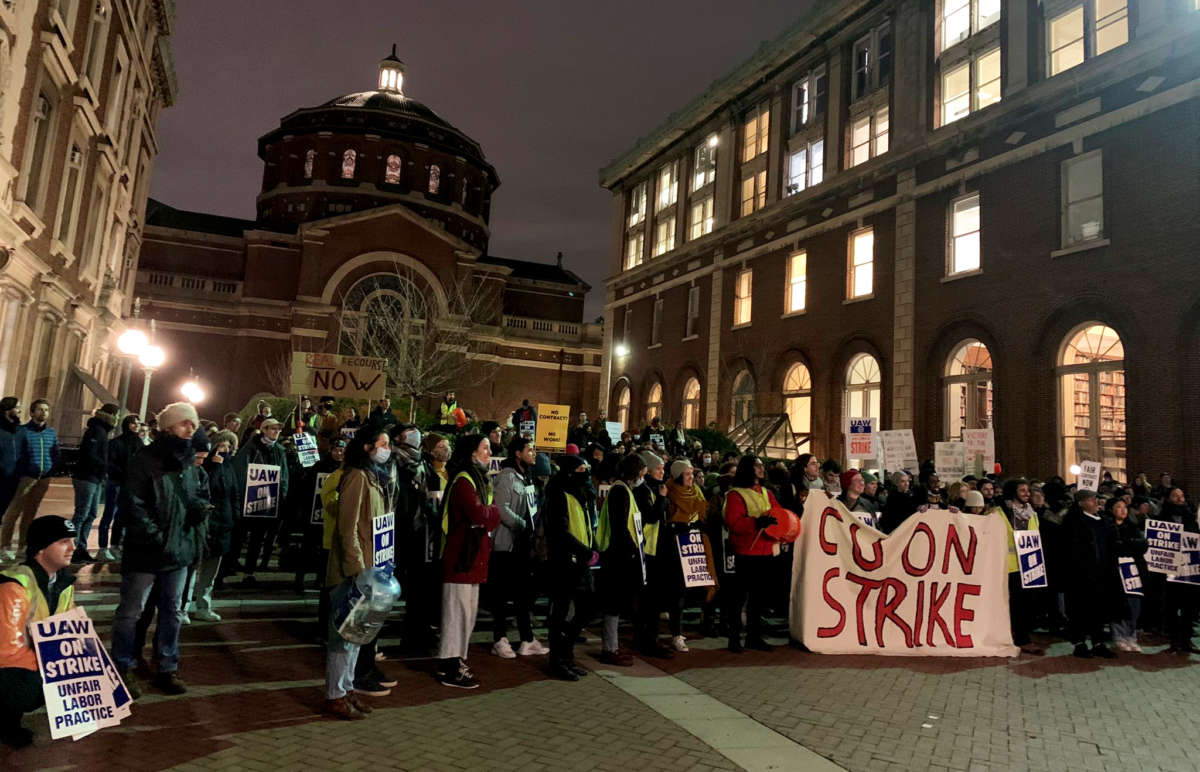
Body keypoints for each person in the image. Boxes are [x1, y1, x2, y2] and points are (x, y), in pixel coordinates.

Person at [112, 402, 210, 697]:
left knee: (173, 612)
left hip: (177, 551)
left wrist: (199, 509)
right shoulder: (143, 460)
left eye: (192, 424)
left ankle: (166, 667)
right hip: (146, 551)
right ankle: (123, 667)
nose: (190, 429)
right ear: (168, 427)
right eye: (184, 424)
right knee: (131, 612)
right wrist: (157, 537)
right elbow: (134, 506)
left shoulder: (189, 462)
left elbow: (194, 494)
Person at [323, 426, 392, 720]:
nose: (387, 449)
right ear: (366, 447)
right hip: (351, 572)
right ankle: (335, 695)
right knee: (342, 636)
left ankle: (347, 688)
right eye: (383, 443)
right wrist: (356, 569)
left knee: (354, 636)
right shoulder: (356, 477)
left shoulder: (373, 478)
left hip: (370, 569)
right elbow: (347, 527)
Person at [0, 516, 78, 748]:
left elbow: (69, 629)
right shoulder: (15, 585)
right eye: (64, 541)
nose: (73, 547)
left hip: (35, 656)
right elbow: (6, 650)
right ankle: (6, 721)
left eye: (73, 541)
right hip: (10, 664)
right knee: (25, 686)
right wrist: (52, 663)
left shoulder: (63, 583)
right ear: (41, 549)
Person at [437, 434, 500, 689]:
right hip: (461, 558)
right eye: (484, 448)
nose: (489, 452)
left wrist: (490, 513)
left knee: (468, 614)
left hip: (473, 558)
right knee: (457, 615)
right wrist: (493, 512)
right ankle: (450, 667)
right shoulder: (465, 481)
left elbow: (487, 513)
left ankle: (457, 660)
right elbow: (481, 513)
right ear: (472, 453)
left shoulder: (478, 480)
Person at [488, 436, 547, 658]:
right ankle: (499, 639)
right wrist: (523, 524)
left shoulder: (525, 478)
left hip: (522, 546)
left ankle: (527, 639)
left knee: (523, 594)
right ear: (517, 453)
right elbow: (500, 508)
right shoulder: (506, 478)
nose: (533, 453)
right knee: (501, 596)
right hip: (506, 545)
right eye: (529, 450)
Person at [543, 455, 597, 681]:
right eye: (581, 469)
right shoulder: (558, 493)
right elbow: (559, 531)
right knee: (561, 612)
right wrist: (583, 551)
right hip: (564, 561)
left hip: (581, 560)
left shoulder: (581, 493)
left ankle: (566, 653)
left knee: (588, 607)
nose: (585, 474)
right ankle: (558, 660)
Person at [723, 455, 781, 653]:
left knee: (758, 598)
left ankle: (753, 637)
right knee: (739, 598)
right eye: (758, 466)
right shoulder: (735, 495)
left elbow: (779, 515)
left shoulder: (767, 492)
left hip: (765, 551)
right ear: (749, 469)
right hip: (745, 552)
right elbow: (734, 523)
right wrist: (757, 523)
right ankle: (734, 638)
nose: (761, 469)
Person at [595, 453, 646, 667]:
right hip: (616, 556)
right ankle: (609, 648)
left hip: (617, 554)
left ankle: (613, 646)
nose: (643, 477)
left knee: (614, 604)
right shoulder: (621, 491)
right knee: (612, 604)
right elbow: (620, 527)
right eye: (642, 473)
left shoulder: (623, 490)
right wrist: (633, 549)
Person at [663, 458, 717, 651]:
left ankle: (679, 629)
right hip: (675, 545)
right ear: (677, 476)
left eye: (692, 473)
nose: (691, 477)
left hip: (693, 544)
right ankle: (676, 634)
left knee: (689, 590)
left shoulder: (696, 492)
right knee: (677, 590)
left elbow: (703, 515)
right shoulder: (668, 492)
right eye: (687, 474)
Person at [229, 417, 289, 585]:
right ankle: (229, 566)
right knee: (239, 537)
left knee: (257, 539)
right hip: (249, 501)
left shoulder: (280, 450)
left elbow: (283, 476)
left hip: (268, 503)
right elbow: (240, 472)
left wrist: (281, 496)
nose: (276, 432)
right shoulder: (250, 448)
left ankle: (249, 572)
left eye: (278, 429)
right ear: (264, 430)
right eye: (273, 429)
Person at [1061, 489, 1120, 659]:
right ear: (1081, 503)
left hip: (1101, 575)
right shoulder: (1073, 522)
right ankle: (1079, 643)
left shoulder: (1104, 522)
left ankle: (1098, 642)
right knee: (1079, 610)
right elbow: (1068, 549)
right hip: (1080, 576)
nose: (1096, 502)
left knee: (1099, 610)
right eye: (1091, 500)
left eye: (1096, 499)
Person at [0, 400, 59, 560]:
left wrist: (50, 469)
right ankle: (4, 546)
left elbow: (55, 453)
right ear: (32, 413)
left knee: (30, 513)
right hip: (25, 477)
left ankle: (23, 546)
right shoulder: (22, 431)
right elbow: (16, 454)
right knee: (13, 512)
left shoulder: (51, 433)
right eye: (40, 409)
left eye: (46, 409)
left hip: (43, 478)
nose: (43, 412)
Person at [190, 431, 239, 622]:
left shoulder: (230, 468)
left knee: (211, 571)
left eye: (228, 446)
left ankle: (203, 606)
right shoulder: (206, 467)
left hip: (223, 524)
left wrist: (234, 516)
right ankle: (183, 606)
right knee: (193, 568)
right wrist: (216, 467)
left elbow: (233, 493)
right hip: (206, 522)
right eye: (221, 446)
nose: (224, 450)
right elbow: (207, 487)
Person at [632, 451, 673, 658]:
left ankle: (649, 639)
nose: (662, 472)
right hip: (648, 550)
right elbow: (651, 516)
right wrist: (663, 500)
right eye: (658, 468)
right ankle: (647, 640)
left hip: (655, 548)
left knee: (653, 600)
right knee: (650, 600)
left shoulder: (652, 488)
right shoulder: (644, 490)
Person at [70, 403, 119, 563]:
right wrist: (106, 467)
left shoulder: (102, 431)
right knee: (81, 514)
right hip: (86, 477)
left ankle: (81, 547)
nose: (117, 419)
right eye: (116, 415)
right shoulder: (96, 430)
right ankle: (72, 548)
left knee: (91, 514)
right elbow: (90, 455)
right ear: (110, 415)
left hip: (96, 478)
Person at [1000, 479, 1044, 655]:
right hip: (1010, 566)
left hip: (1029, 565)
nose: (1027, 493)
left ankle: (1022, 636)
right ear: (1013, 492)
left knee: (1027, 604)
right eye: (1022, 490)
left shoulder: (1032, 513)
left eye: (1028, 490)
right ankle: (1019, 638)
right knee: (1013, 604)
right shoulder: (1001, 512)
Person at [1158, 487, 1200, 654]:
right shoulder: (1162, 518)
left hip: (1189, 569)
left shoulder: (1190, 517)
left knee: (1190, 606)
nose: (1180, 498)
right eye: (1176, 496)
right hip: (1169, 570)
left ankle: (1187, 640)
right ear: (1169, 498)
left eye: (1182, 495)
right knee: (1172, 607)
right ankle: (1174, 641)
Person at [99, 414, 143, 562]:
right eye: (132, 423)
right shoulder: (116, 443)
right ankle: (102, 548)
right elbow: (110, 463)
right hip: (116, 483)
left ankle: (116, 545)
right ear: (126, 424)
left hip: (131, 485)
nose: (136, 425)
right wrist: (125, 473)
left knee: (122, 517)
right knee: (109, 514)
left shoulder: (138, 442)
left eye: (137, 423)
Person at [1107, 496, 1147, 653]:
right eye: (1118, 507)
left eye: (1124, 507)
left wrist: (1126, 543)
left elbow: (1143, 545)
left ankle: (1131, 636)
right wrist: (1127, 545)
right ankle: (1118, 636)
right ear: (1112, 510)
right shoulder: (1107, 527)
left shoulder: (1132, 526)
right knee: (1118, 604)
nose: (1123, 510)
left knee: (1134, 604)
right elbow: (1112, 548)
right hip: (1115, 572)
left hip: (1132, 572)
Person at [0, 398, 23, 544]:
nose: (20, 410)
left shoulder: (17, 429)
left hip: (13, 476)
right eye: (17, 407)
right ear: (8, 409)